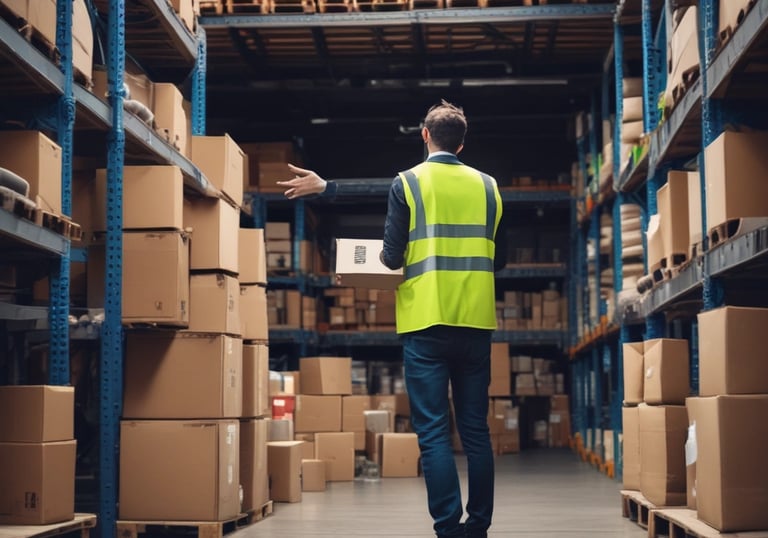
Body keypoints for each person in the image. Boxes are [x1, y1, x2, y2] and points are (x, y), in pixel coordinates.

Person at [278, 100, 502, 538]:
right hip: (476, 321)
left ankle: (448, 530)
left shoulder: (410, 183)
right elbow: (504, 257)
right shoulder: (490, 187)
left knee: (435, 433)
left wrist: (380, 251)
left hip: (425, 322)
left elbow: (391, 255)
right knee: (475, 431)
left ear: (424, 135)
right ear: (463, 140)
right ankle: (478, 527)